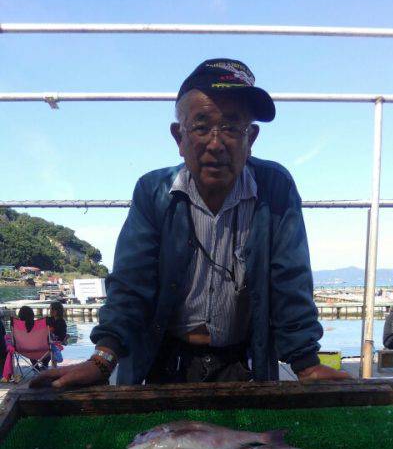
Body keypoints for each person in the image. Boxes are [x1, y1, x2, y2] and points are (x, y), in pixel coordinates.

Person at [31, 58, 350, 390]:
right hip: (162, 359)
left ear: (250, 138)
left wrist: (306, 363)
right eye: (200, 126)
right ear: (178, 137)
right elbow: (130, 285)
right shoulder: (152, 192)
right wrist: (102, 359)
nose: (216, 142)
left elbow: (291, 281)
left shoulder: (276, 189)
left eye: (231, 126)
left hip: (242, 362)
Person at [44, 301, 67, 368]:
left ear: (56, 310)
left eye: (51, 309)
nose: (50, 311)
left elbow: (61, 335)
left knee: (53, 346)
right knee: (53, 346)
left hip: (48, 343)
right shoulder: (60, 321)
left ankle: (44, 366)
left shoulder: (48, 320)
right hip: (51, 342)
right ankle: (52, 366)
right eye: (50, 309)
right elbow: (62, 336)